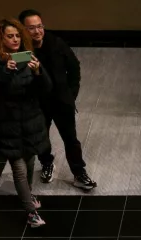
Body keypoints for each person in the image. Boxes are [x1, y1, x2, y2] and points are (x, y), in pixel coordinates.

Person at [18, 9, 98, 191]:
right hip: (37, 103)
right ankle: (47, 164)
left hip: (61, 102)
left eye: (39, 26)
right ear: (23, 29)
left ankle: (79, 173)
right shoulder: (21, 50)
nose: (37, 31)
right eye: (31, 28)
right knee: (41, 138)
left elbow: (74, 68)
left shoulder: (56, 43)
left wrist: (71, 94)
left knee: (71, 139)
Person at [0, 19, 51, 228]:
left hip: (31, 122)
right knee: (19, 168)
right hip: (8, 124)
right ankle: (30, 214)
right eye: (9, 36)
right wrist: (6, 72)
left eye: (17, 35)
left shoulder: (29, 57)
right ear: (0, 39)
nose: (15, 39)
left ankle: (28, 196)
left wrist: (38, 71)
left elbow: (46, 88)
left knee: (30, 163)